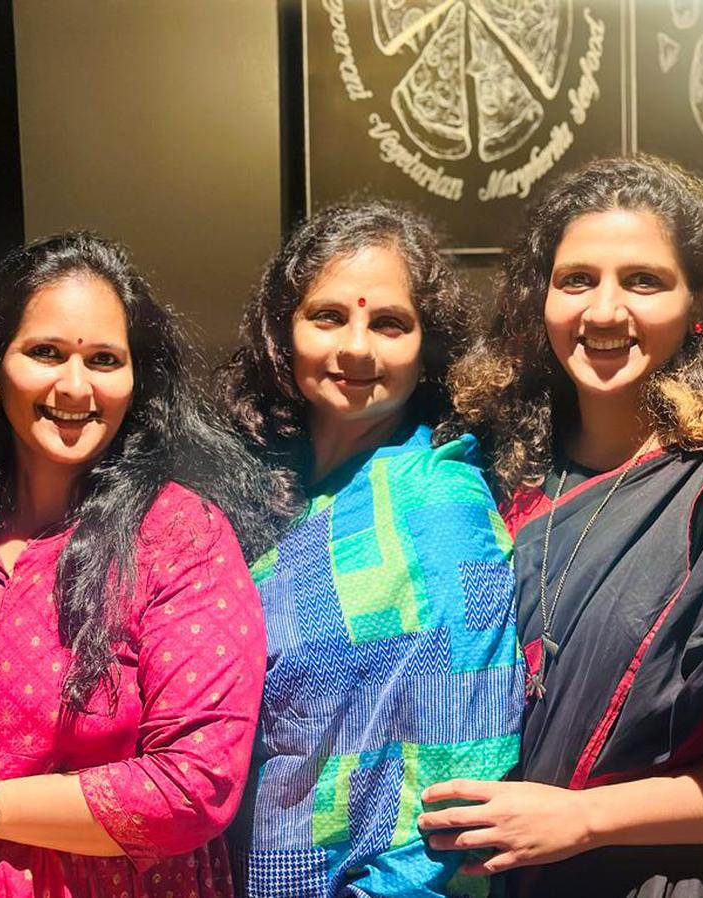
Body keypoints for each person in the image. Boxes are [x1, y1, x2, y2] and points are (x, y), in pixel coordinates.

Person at [418, 155, 703, 897]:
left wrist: (586, 820)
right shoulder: (492, 474)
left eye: (643, 280)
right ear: (537, 299)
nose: (604, 311)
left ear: (700, 301)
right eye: (576, 279)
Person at [0, 232, 270, 898]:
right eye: (46, 352)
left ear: (136, 381)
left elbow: (196, 783)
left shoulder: (177, 537)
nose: (76, 386)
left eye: (104, 359)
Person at [219, 201, 523, 898]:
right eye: (327, 316)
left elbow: (466, 776)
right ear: (283, 331)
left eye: (389, 323)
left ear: (429, 349)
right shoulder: (257, 491)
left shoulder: (440, 506)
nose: (355, 347)